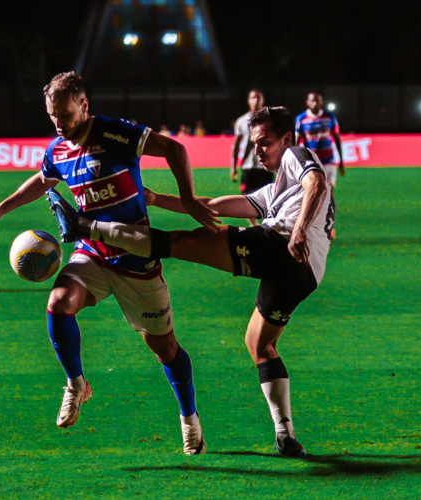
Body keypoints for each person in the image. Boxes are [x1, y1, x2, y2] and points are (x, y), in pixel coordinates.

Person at [48, 106, 332, 457]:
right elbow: (213, 205)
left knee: (180, 243)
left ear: (287, 139)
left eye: (265, 143)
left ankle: (86, 227)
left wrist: (300, 230)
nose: (258, 151)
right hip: (303, 275)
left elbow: (317, 183)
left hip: (282, 247)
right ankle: (285, 435)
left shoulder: (296, 155)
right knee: (259, 346)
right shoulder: (276, 191)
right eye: (255, 144)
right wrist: (156, 199)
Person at [0, 71, 217, 455]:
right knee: (58, 304)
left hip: (137, 260)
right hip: (92, 253)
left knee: (165, 350)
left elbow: (175, 150)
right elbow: (42, 180)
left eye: (65, 115)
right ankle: (76, 384)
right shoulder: (57, 150)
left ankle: (189, 418)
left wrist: (190, 199)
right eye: (53, 117)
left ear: (84, 105)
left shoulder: (115, 134)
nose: (59, 124)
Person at [295, 92, 343, 239]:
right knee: (310, 194)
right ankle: (310, 226)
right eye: (312, 101)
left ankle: (330, 227)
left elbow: (336, 137)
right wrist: (297, 161)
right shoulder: (301, 118)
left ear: (321, 102)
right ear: (307, 102)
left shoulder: (329, 117)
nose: (315, 103)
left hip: (328, 160)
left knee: (329, 193)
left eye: (317, 101)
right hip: (312, 162)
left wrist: (341, 161)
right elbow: (297, 141)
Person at [230, 89, 274, 226]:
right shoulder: (242, 121)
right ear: (248, 101)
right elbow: (236, 145)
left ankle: (266, 224)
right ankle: (254, 225)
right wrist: (233, 167)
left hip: (266, 165)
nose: (255, 101)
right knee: (247, 197)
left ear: (263, 100)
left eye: (258, 98)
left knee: (269, 198)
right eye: (252, 98)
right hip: (247, 166)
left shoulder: (270, 120)